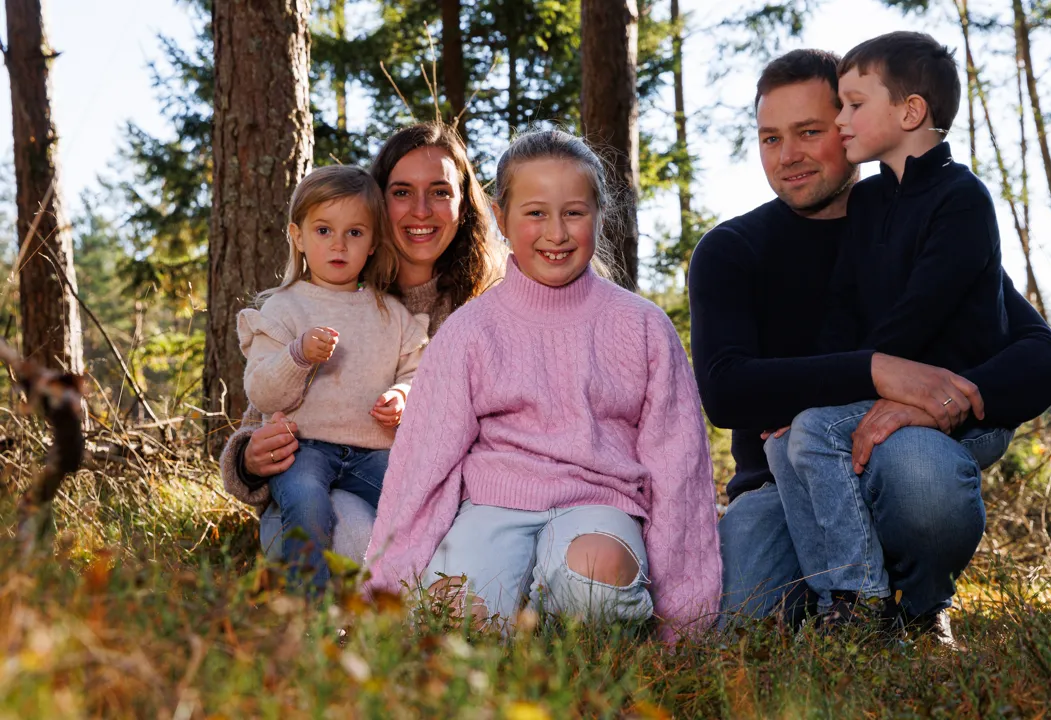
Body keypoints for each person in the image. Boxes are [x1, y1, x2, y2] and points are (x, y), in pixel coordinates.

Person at [688, 49, 1051, 644]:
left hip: (894, 461)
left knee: (919, 470)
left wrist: (937, 401)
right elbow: (727, 391)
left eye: (811, 131)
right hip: (781, 488)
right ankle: (851, 611)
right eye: (770, 138)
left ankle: (920, 608)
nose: (787, 155)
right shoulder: (734, 249)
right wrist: (877, 370)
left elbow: (1044, 360)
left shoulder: (924, 220)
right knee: (733, 624)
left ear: (849, 127)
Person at [365, 130, 721, 635]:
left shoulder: (642, 327)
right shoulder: (469, 331)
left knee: (597, 587)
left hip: (599, 506)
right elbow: (422, 472)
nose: (556, 232)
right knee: (456, 623)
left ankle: (566, 636)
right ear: (500, 216)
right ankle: (512, 632)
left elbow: (679, 473)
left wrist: (686, 619)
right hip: (491, 507)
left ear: (599, 213)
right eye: (535, 213)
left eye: (574, 212)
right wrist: (383, 595)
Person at [767, 32, 1016, 631]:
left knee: (815, 432)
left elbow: (920, 314)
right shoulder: (873, 200)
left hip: (958, 405)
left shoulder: (962, 198)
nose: (841, 119)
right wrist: (811, 390)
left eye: (854, 105)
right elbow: (845, 310)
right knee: (782, 440)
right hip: (888, 391)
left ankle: (861, 601)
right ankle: (837, 594)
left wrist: (830, 397)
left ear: (910, 112)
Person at [218, 122, 503, 564]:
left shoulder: (488, 309)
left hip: (434, 494)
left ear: (464, 205)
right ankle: (372, 606)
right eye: (402, 192)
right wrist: (249, 460)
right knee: (357, 530)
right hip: (313, 500)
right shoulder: (328, 294)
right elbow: (263, 409)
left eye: (441, 192)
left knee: (424, 524)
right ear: (375, 204)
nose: (421, 210)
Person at [237, 164, 427, 592]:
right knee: (306, 504)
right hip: (303, 447)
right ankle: (310, 609)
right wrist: (297, 355)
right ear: (298, 236)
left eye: (354, 233)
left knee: (414, 502)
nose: (338, 244)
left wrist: (402, 395)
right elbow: (262, 392)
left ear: (374, 242)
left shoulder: (390, 313)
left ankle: (418, 596)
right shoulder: (283, 308)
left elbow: (415, 373)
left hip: (372, 450)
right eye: (323, 230)